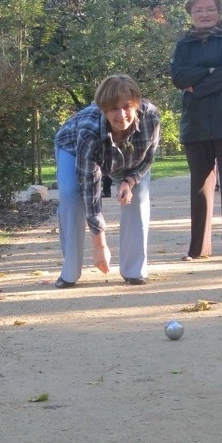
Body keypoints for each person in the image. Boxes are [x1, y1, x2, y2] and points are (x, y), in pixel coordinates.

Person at [53, 74, 160, 288]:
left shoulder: (151, 117)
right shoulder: (89, 130)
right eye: (113, 109)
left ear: (136, 104)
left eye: (127, 107)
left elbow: (148, 157)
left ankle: (135, 270)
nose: (121, 115)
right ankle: (70, 272)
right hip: (72, 148)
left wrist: (129, 182)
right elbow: (89, 188)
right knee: (71, 194)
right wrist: (99, 243)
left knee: (139, 194)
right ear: (103, 109)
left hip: (128, 158)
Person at [170, 0, 222, 261]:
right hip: (196, 121)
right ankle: (198, 249)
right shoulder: (184, 44)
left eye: (210, 9)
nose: (204, 14)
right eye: (198, 10)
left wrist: (198, 86)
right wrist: (208, 72)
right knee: (200, 185)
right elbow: (178, 76)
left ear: (219, 11)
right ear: (190, 14)